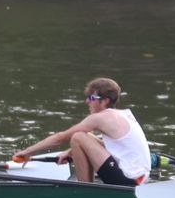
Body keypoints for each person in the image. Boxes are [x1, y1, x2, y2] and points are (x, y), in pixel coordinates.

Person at [12, 77, 155, 185]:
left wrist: (27, 152)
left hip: (128, 179)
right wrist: (70, 152)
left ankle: (86, 189)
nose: (87, 101)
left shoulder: (100, 118)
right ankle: (87, 184)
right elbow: (119, 149)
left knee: (78, 137)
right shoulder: (124, 115)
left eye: (92, 97)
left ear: (104, 101)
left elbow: (60, 137)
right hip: (140, 178)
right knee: (86, 136)